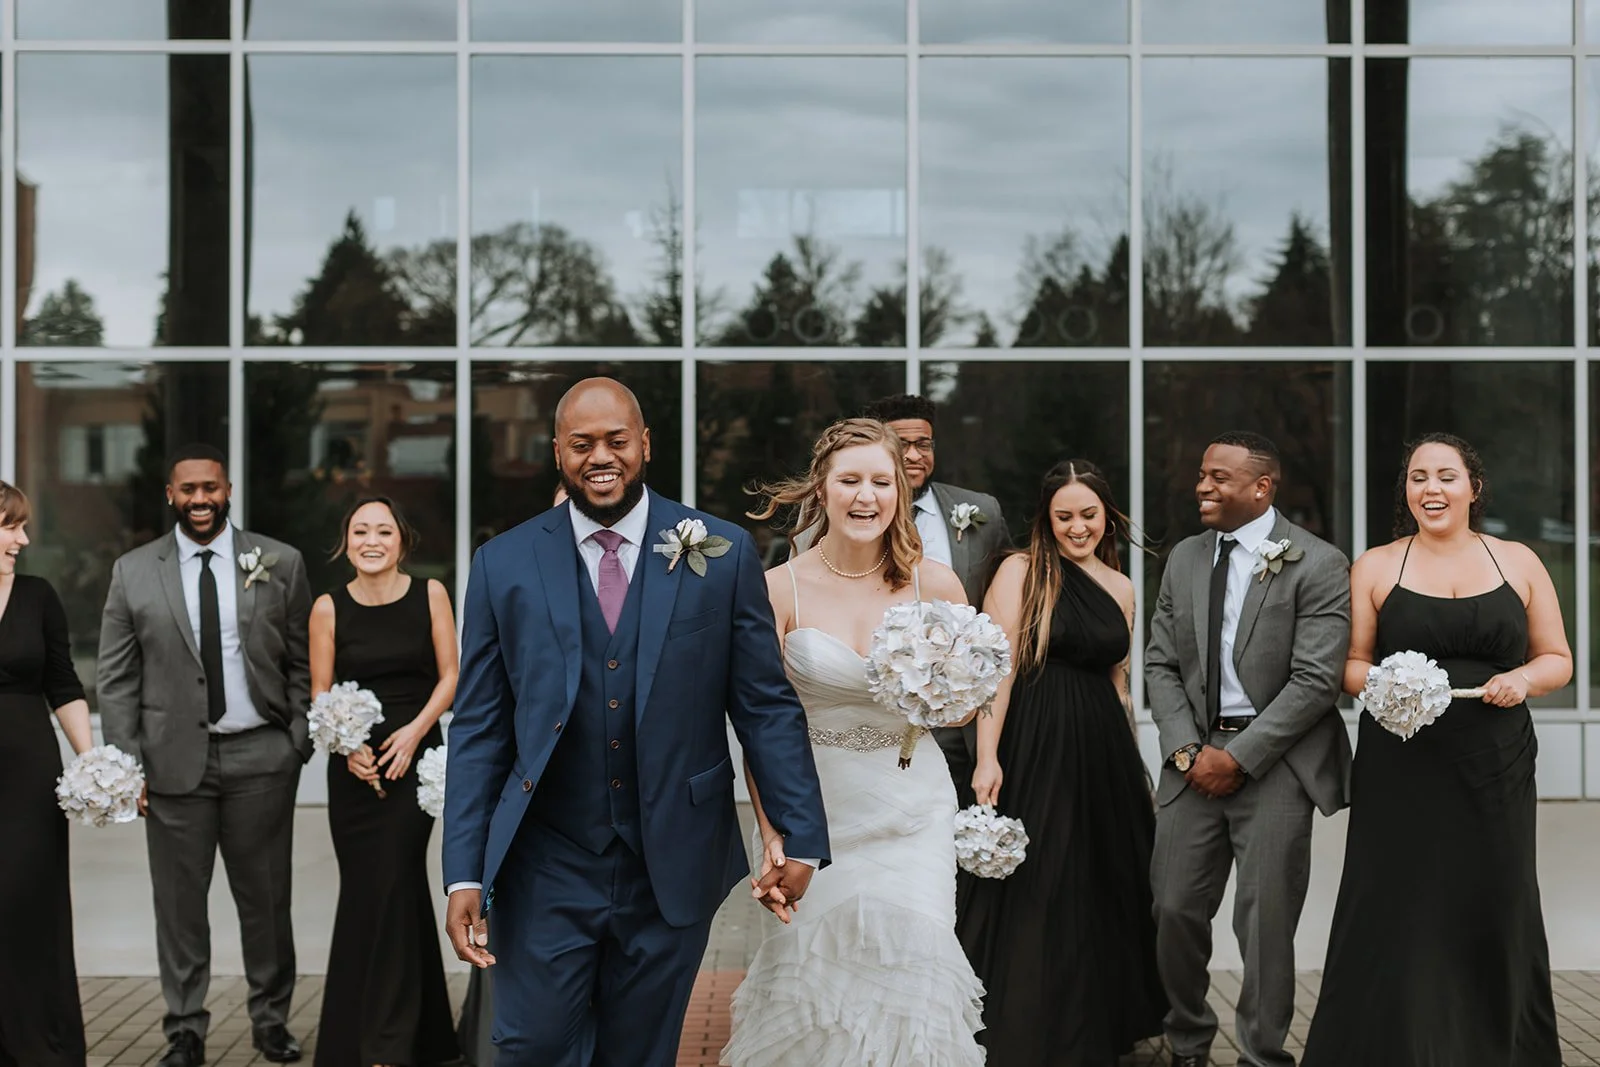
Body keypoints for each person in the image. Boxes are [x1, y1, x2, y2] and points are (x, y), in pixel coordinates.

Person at [441, 378, 829, 1067]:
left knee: (639, 1052)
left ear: (644, 444)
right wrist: (463, 873)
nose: (600, 456)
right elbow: (479, 727)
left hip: (671, 856)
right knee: (530, 1044)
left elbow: (764, 705)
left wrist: (799, 834)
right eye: (581, 443)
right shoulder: (503, 564)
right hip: (546, 859)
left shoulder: (723, 552)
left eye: (616, 440)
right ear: (557, 451)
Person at [723, 417, 985, 1066]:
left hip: (914, 813)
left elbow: (967, 704)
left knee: (914, 980)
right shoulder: (778, 588)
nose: (866, 496)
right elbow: (761, 723)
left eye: (881, 481)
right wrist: (773, 832)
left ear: (901, 490)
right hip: (814, 819)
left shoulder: (936, 585)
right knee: (817, 994)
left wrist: (950, 695)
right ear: (822, 487)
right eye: (850, 480)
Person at [1301, 433, 1569, 1066]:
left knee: (1494, 899)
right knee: (1398, 904)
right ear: (1407, 491)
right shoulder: (1375, 566)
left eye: (1446, 476)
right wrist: (1388, 683)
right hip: (1402, 765)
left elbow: (1558, 658)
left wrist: (1523, 680)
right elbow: (1350, 665)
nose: (1431, 489)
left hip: (1496, 764)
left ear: (1474, 487)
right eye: (1418, 477)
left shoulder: (1519, 562)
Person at [98, 443, 313, 1067]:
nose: (200, 499)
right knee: (179, 909)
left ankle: (271, 1021)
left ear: (228, 491)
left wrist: (296, 739)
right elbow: (116, 680)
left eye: (210, 488)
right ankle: (184, 1030)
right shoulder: (133, 572)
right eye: (188, 489)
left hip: (261, 758)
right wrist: (127, 765)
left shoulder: (279, 561)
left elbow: (303, 657)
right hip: (171, 768)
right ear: (170, 494)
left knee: (266, 903)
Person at [1145, 431, 1351, 1067]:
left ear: (1261, 487)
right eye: (1202, 474)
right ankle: (1187, 1042)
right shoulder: (1184, 558)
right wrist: (1188, 751)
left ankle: (1262, 1055)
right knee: (1173, 908)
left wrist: (1238, 757)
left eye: (1218, 477)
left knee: (1265, 926)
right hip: (1192, 762)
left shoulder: (1318, 562)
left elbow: (1316, 680)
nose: (1202, 486)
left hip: (1277, 765)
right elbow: (1160, 664)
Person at [959, 460, 1166, 1064]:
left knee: (1101, 883)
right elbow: (995, 672)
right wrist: (987, 757)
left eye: (1089, 515)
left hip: (1104, 754)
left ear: (1108, 515)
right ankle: (1025, 1030)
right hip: (1036, 742)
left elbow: (1120, 684)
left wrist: (1135, 763)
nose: (1078, 527)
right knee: (1039, 880)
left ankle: (1092, 1029)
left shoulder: (1121, 586)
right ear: (1046, 520)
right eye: (1065, 516)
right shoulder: (1021, 571)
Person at [796, 393, 1010, 807]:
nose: (913, 455)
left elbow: (994, 616)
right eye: (902, 444)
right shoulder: (795, 571)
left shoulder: (972, 527)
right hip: (825, 773)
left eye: (923, 444)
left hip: (943, 749)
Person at [312, 497, 460, 1067]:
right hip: (354, 773)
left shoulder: (430, 594)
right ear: (346, 542)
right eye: (360, 531)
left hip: (412, 767)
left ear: (402, 541)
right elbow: (320, 692)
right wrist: (347, 747)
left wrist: (416, 732)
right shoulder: (328, 607)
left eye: (383, 531)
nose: (371, 541)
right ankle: (392, 1039)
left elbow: (451, 675)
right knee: (365, 893)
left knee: (397, 883)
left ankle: (390, 1042)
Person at [455, 483, 567, 1067]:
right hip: (532, 833)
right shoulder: (506, 576)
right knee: (534, 1026)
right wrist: (466, 873)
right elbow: (481, 723)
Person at [0, 481, 94, 1067]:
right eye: (11, 527)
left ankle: (37, 1047)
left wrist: (91, 761)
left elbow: (63, 682)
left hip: (28, 778)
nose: (23, 539)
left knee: (25, 902)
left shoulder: (37, 596)